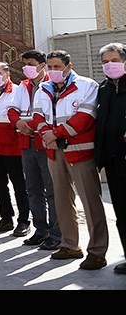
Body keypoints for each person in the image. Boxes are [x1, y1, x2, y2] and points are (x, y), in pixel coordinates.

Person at [30, 50, 108, 270]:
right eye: (49, 67)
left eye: (57, 67)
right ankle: (69, 244)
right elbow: (37, 116)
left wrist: (56, 133)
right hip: (54, 151)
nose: (53, 71)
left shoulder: (87, 86)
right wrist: (47, 134)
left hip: (80, 152)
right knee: (62, 199)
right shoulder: (43, 88)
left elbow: (85, 117)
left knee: (90, 202)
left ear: (68, 66)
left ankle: (97, 251)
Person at [10, 49, 61, 250]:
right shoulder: (23, 87)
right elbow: (12, 110)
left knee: (52, 190)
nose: (26, 68)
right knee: (33, 189)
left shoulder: (51, 85)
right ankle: (41, 230)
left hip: (46, 142)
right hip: (26, 142)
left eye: (30, 63)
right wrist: (18, 123)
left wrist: (31, 124)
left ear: (41, 65)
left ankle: (56, 233)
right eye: (25, 64)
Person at [0, 63, 30, 236]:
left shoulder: (18, 91)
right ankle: (6, 218)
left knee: (19, 185)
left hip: (12, 146)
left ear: (7, 73)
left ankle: (24, 220)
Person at [95, 43, 126, 276]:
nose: (110, 65)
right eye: (105, 62)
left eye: (114, 60)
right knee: (122, 214)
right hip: (115, 163)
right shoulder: (104, 89)